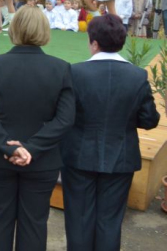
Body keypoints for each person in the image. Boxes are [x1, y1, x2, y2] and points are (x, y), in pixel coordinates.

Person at [0, 5, 75, 251]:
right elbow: (65, 119)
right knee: (35, 222)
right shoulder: (60, 69)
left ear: (14, 29)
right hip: (42, 161)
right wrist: (31, 148)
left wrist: (7, 146)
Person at [61, 15, 160, 251]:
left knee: (78, 221)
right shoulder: (137, 76)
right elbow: (149, 120)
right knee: (110, 222)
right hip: (121, 157)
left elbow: (64, 117)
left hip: (79, 156)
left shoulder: (75, 72)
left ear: (94, 43)